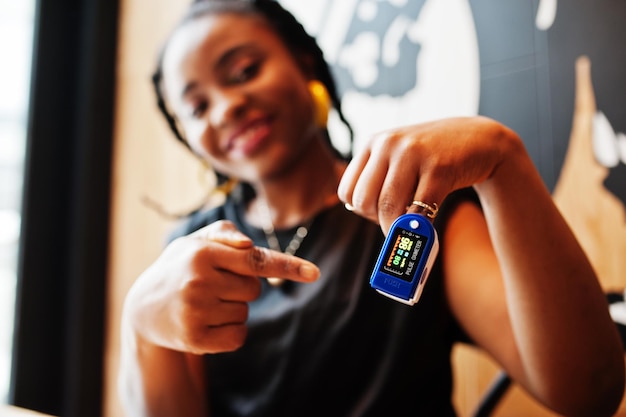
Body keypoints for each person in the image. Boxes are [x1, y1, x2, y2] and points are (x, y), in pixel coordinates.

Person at [118, 0, 625, 416]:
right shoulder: (190, 252)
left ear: (304, 63)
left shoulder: (418, 210)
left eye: (245, 70)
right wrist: (139, 323)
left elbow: (587, 391)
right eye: (198, 107)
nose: (226, 107)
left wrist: (504, 160)